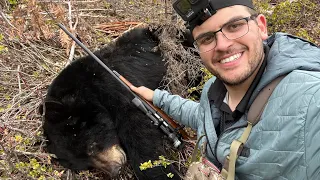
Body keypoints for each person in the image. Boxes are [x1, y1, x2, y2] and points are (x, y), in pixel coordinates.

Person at [130, 0, 320, 179]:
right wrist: (156, 97)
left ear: (261, 26)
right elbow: (205, 118)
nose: (222, 45)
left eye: (234, 26)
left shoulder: (311, 100)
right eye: (207, 38)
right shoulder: (213, 91)